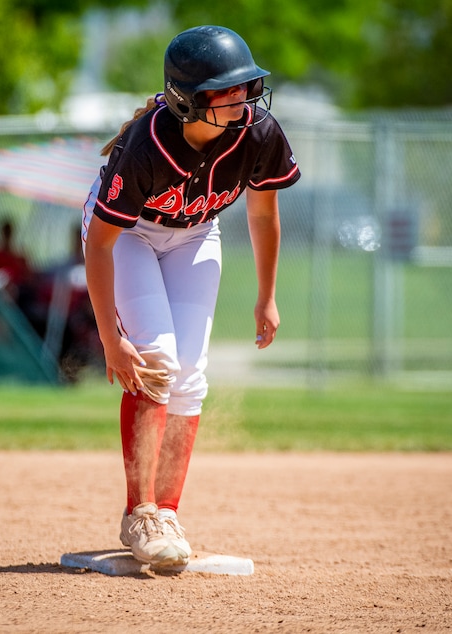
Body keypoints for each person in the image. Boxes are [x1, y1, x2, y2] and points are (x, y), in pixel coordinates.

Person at [82, 25, 301, 567]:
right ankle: (140, 514)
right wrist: (111, 340)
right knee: (157, 358)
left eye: (247, 86)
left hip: (196, 234)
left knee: (190, 372)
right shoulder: (144, 147)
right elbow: (100, 245)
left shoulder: (259, 132)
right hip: (128, 237)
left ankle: (168, 513)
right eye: (226, 90)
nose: (244, 98)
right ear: (188, 101)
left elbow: (264, 214)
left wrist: (266, 296)